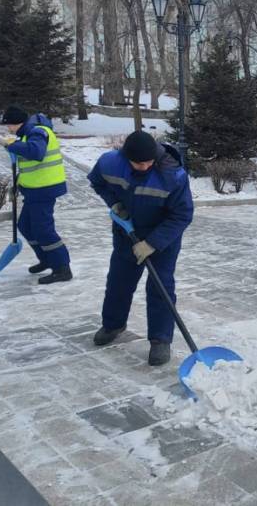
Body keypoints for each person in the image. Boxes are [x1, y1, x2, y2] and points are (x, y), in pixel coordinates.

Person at [87, 131, 193, 367]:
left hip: (163, 235)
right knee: (118, 281)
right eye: (138, 163)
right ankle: (113, 324)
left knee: (160, 286)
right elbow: (97, 182)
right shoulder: (110, 163)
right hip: (127, 231)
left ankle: (160, 339)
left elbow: (183, 214)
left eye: (148, 162)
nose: (144, 167)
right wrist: (115, 203)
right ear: (126, 158)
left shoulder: (173, 175)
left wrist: (152, 243)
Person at [2, 106, 72, 285]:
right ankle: (47, 259)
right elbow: (28, 164)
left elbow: (36, 153)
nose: (8, 129)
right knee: (25, 226)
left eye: (9, 125)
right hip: (34, 189)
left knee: (43, 230)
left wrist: (13, 145)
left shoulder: (38, 132)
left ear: (16, 123)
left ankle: (62, 268)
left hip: (45, 189)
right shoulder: (27, 134)